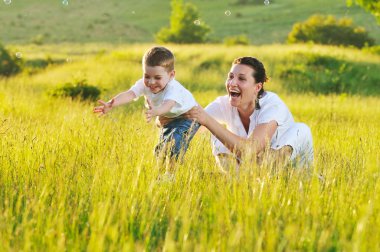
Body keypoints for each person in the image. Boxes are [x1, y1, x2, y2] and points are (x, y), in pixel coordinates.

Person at [185, 56, 313, 172]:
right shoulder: (223, 104)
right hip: (248, 172)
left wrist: (208, 121)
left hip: (283, 170)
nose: (232, 83)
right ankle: (237, 179)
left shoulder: (272, 105)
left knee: (301, 129)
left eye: (241, 78)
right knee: (217, 134)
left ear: (257, 87)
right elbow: (190, 126)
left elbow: (249, 151)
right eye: (230, 77)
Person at [93, 46, 200, 179]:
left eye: (157, 77)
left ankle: (171, 175)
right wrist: (111, 103)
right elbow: (130, 94)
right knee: (160, 149)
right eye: (147, 76)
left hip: (189, 117)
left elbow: (168, 105)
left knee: (175, 142)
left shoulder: (173, 88)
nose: (151, 82)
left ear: (171, 75)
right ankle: (159, 175)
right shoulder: (144, 84)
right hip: (170, 118)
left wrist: (157, 111)